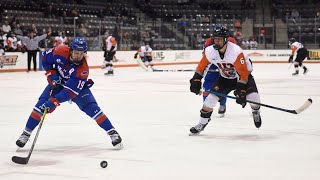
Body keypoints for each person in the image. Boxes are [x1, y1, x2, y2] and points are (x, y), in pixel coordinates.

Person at [15, 37, 123, 149]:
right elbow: (45, 58)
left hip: (75, 88)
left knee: (92, 108)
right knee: (40, 105)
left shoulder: (83, 70)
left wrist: (55, 101)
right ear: (71, 50)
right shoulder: (60, 51)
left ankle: (112, 132)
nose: (78, 56)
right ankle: (26, 134)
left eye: (81, 53)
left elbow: (69, 92)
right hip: (58, 83)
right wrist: (51, 73)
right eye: (76, 52)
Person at [189, 27, 262, 135]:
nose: (217, 41)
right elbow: (201, 67)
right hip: (225, 79)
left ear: (226, 40)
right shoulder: (210, 51)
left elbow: (243, 73)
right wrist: (196, 79)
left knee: (254, 99)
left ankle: (255, 111)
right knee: (209, 101)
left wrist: (241, 90)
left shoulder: (236, 52)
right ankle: (202, 123)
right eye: (215, 39)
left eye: (220, 39)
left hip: (243, 77)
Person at [199, 34, 237, 117]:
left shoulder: (231, 41)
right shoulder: (209, 42)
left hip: (225, 64)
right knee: (206, 87)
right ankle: (206, 106)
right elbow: (205, 55)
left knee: (223, 86)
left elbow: (236, 55)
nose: (217, 41)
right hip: (213, 64)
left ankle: (222, 104)